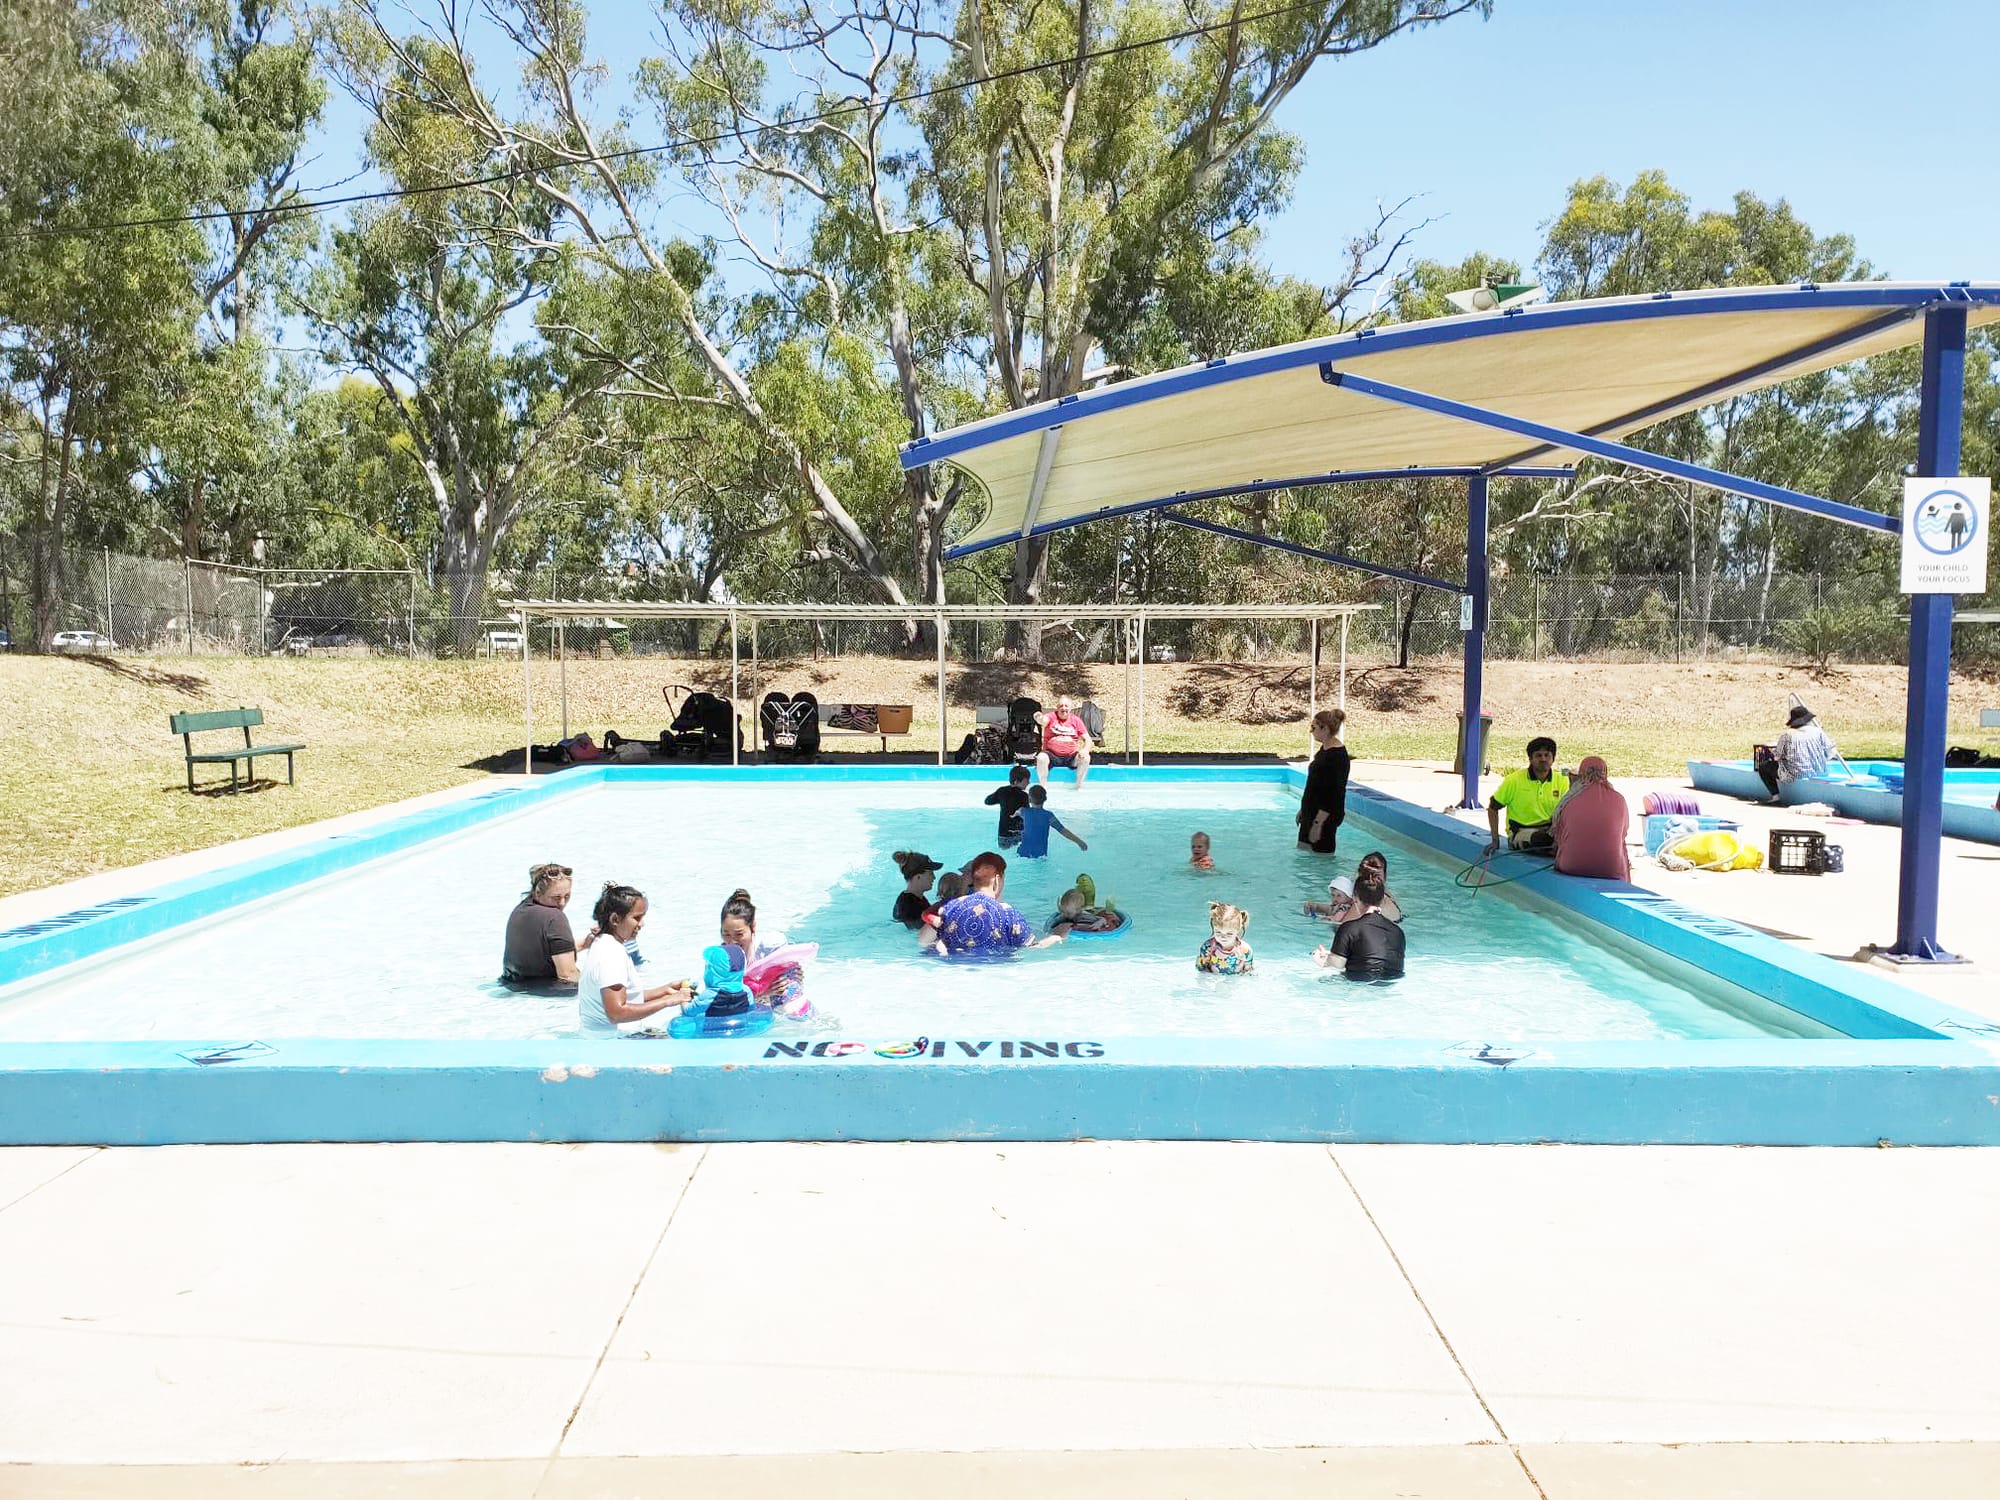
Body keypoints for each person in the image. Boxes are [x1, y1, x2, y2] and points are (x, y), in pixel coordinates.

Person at [575, 883, 693, 1035]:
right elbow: (616, 1013)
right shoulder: (611, 955)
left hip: (602, 1039)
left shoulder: (603, 943)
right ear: (615, 919)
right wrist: (668, 1001)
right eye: (637, 918)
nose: (641, 924)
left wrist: (665, 990)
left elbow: (628, 997)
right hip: (614, 1043)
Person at [501, 861, 593, 989]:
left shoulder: (521, 910)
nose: (562, 903)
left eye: (567, 896)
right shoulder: (554, 918)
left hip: (512, 986)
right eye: (556, 897)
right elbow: (568, 976)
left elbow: (544, 952)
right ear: (538, 892)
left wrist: (584, 944)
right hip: (548, 994)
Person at [720, 888, 810, 1018]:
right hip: (752, 1009)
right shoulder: (720, 959)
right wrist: (762, 993)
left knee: (791, 1007)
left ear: (753, 927)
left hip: (780, 1005)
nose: (732, 941)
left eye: (739, 934)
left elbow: (792, 980)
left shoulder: (768, 948)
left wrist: (795, 977)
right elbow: (720, 1001)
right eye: (726, 934)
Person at [924, 851, 1035, 956]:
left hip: (955, 970)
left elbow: (940, 943)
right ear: (997, 880)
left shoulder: (950, 908)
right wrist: (1052, 937)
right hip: (994, 971)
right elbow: (1031, 948)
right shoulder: (1009, 914)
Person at [1552, 756, 1631, 881]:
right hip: (1611, 870)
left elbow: (1557, 833)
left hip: (1569, 866)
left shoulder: (1570, 799)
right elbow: (1623, 833)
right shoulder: (1619, 799)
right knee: (1622, 847)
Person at [1314, 873, 1405, 981]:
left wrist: (1320, 959)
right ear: (1382, 900)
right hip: (1391, 982)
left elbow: (1336, 965)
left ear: (1355, 898)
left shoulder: (1348, 928)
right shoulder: (1398, 932)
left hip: (1360, 981)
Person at [1486, 737, 1569, 853]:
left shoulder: (1563, 781)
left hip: (1551, 831)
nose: (1543, 759)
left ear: (1553, 758)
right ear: (1530, 759)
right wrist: (1495, 841)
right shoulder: (1514, 780)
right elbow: (1492, 808)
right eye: (1538, 755)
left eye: (1547, 755)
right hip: (1521, 832)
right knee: (1543, 841)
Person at [1296, 708, 1350, 854]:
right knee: (1303, 857)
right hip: (1311, 813)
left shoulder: (1337, 757)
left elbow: (1333, 793)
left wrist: (1318, 823)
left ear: (1324, 728)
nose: (1311, 731)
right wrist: (1304, 809)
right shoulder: (1325, 749)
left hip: (1323, 818)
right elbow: (1315, 784)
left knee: (1320, 863)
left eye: (1313, 728)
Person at [1757, 704, 1838, 799]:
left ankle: (1775, 796)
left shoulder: (1787, 735)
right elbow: (1832, 752)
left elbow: (1777, 758)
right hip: (1821, 772)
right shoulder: (1818, 732)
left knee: (1764, 767)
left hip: (1797, 775)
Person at [1305, 850, 1404, 924]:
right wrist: (1317, 907)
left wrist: (1323, 920)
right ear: (1385, 876)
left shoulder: (1363, 901)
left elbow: (1343, 926)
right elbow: (1342, 909)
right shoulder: (1387, 895)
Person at [1035, 695, 1093, 787]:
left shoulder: (1076, 720)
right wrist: (1039, 718)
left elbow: (1088, 739)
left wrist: (1085, 750)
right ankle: (1042, 787)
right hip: (1051, 755)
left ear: (1070, 708)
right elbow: (1044, 721)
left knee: (1086, 758)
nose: (1063, 708)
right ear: (1057, 708)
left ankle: (1078, 787)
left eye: (1066, 706)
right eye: (1061, 706)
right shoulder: (1051, 717)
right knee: (1041, 757)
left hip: (1071, 756)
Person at [1017, 784, 1087, 859]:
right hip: (1040, 854)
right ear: (1045, 799)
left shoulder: (1024, 811)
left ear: (1029, 799)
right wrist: (1079, 841)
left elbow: (1017, 812)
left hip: (1022, 852)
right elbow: (1063, 830)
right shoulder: (1049, 816)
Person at [892, 850, 943, 928]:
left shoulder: (915, 898)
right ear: (918, 877)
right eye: (930, 874)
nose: (934, 877)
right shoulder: (909, 906)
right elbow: (917, 933)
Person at [1048, 886, 1122, 939]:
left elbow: (1103, 919)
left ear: (1078, 910)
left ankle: (1108, 908)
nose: (1066, 915)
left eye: (1069, 913)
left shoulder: (1084, 916)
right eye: (1064, 911)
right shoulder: (1065, 915)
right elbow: (1052, 925)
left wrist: (1098, 923)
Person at [984, 765, 1032, 847]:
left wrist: (1000, 799)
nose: (1029, 782)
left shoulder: (1001, 791)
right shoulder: (1024, 796)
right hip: (1019, 834)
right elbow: (1027, 815)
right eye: (1026, 780)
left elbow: (987, 801)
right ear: (1016, 782)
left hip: (1003, 834)